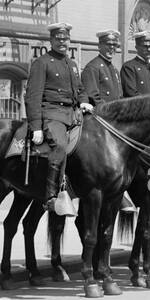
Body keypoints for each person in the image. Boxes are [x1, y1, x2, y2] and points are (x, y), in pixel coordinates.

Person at [26, 23, 94, 212]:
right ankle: (51, 195)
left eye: (65, 39)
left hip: (73, 115)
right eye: (58, 39)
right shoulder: (42, 63)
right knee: (61, 146)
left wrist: (83, 101)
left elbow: (79, 89)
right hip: (52, 114)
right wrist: (36, 126)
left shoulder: (71, 64)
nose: (62, 42)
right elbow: (33, 96)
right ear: (51, 40)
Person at [81, 29, 122, 105]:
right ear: (99, 46)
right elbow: (92, 95)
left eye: (114, 45)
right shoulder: (93, 67)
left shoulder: (114, 69)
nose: (111, 48)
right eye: (108, 44)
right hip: (102, 113)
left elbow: (119, 95)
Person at [119, 30, 150, 97]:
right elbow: (131, 93)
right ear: (137, 47)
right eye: (145, 46)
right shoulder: (129, 67)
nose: (148, 49)